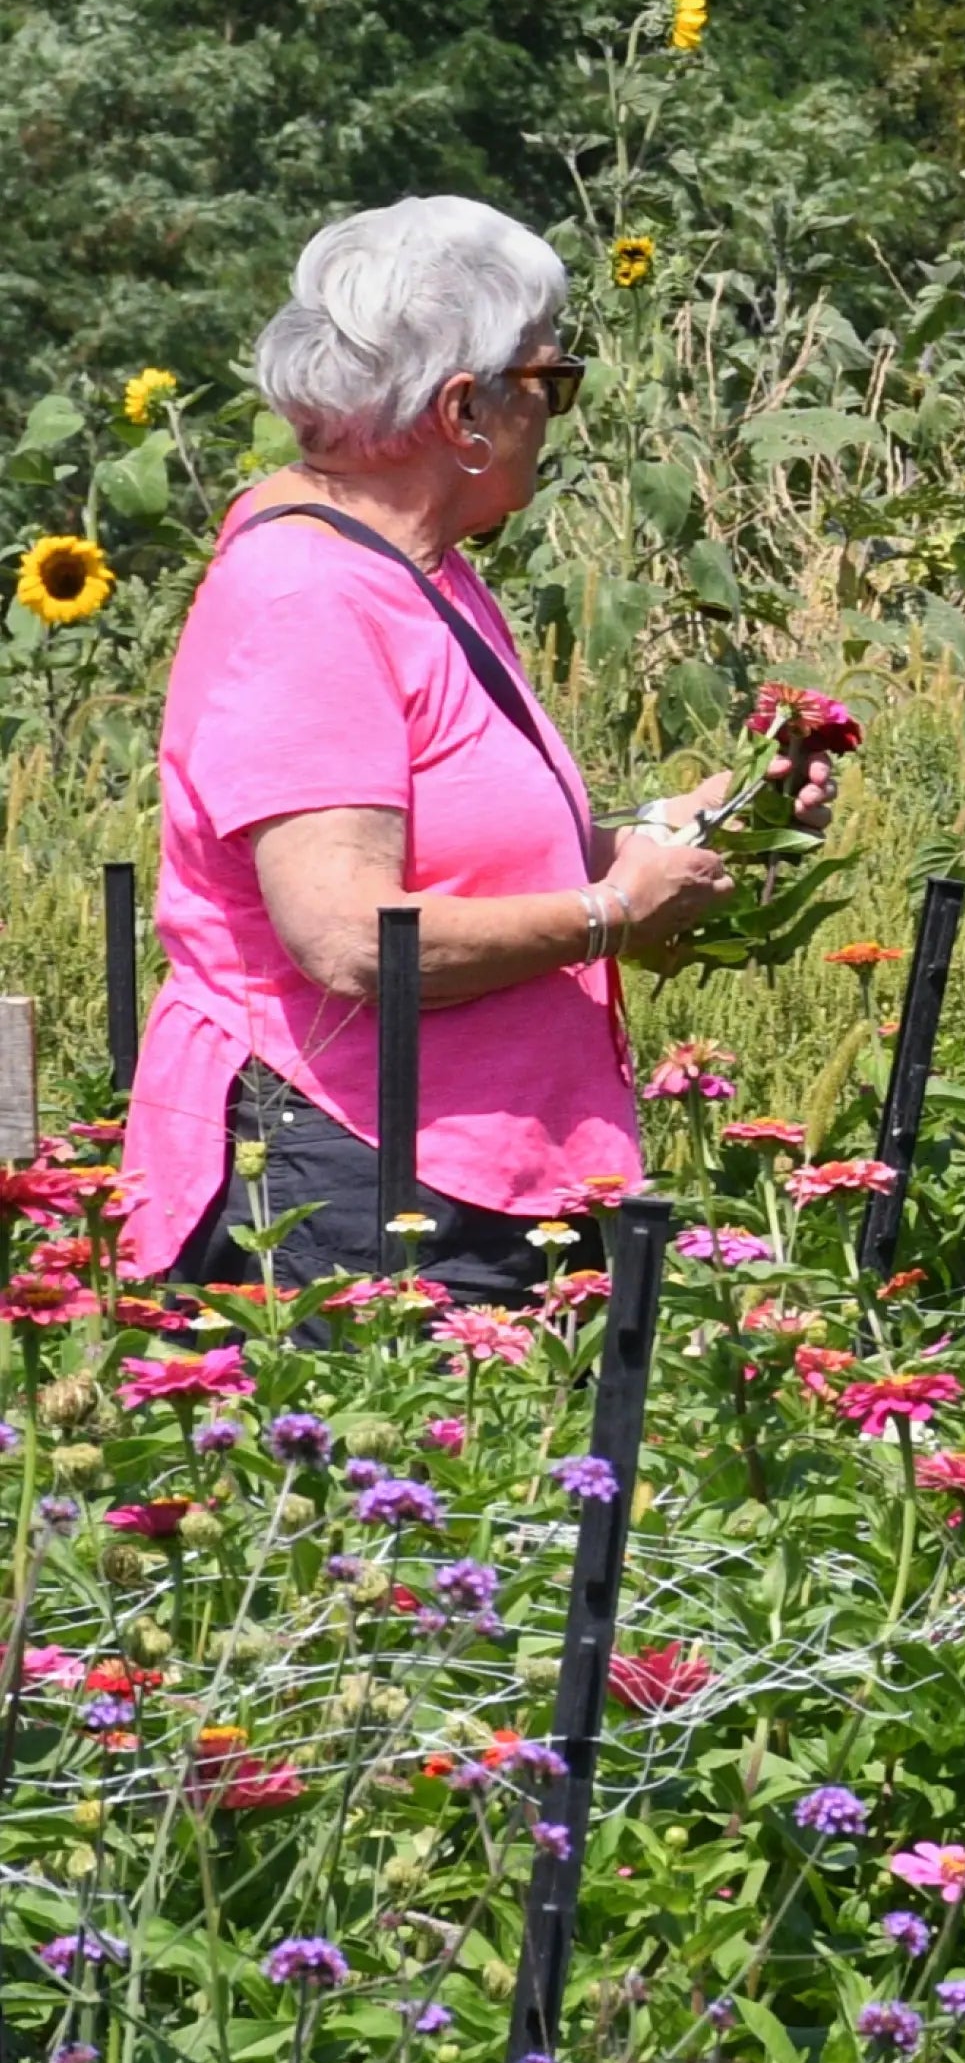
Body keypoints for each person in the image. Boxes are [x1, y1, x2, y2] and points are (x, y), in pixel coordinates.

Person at [121, 197, 823, 1298]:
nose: (561, 413)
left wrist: (679, 836)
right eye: (553, 380)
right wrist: (614, 913)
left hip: (470, 1168)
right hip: (349, 1179)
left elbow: (474, 849)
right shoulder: (310, 594)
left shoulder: (420, 568)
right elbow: (351, 937)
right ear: (465, 410)